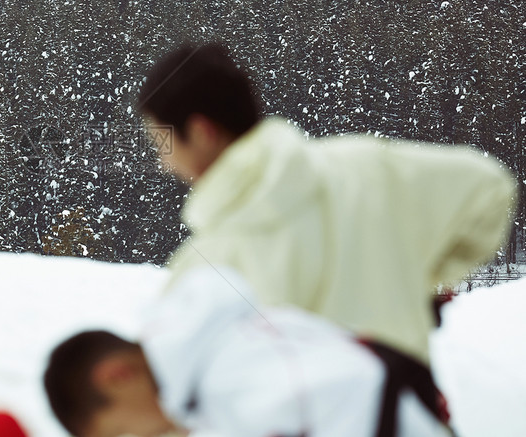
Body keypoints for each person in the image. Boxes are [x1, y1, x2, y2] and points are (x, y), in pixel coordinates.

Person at [137, 42, 517, 364]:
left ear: (202, 133)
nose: (163, 162)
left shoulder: (207, 265)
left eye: (162, 143)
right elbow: (490, 189)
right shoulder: (366, 166)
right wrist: (423, 282)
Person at [44, 265, 451, 437]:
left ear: (116, 376)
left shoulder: (229, 371)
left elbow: (357, 387)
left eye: (121, 432)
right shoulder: (209, 363)